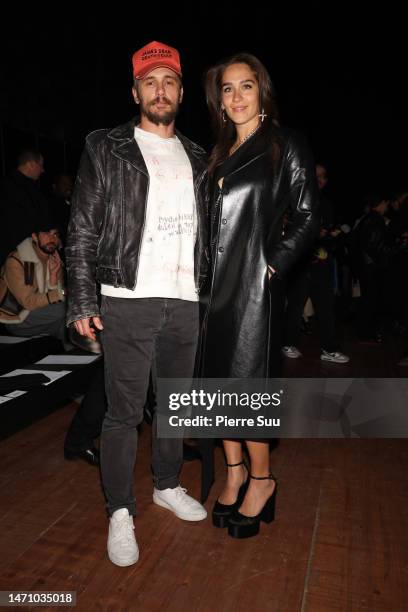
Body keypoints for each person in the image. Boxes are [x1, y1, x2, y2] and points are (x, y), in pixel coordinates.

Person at [65, 40, 209, 567]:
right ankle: (119, 511)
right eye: (149, 81)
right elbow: (82, 227)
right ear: (135, 90)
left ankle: (166, 486)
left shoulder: (199, 155)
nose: (159, 90)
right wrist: (82, 298)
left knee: (174, 406)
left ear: (181, 92)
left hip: (187, 299)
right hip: (127, 297)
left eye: (168, 80)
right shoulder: (107, 147)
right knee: (124, 413)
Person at [200, 53, 319, 539]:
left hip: (253, 288)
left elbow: (309, 214)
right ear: (220, 101)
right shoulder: (218, 152)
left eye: (245, 86)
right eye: (227, 89)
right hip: (213, 291)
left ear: (262, 92)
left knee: (248, 388)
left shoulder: (285, 144)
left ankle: (263, 480)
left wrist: (273, 266)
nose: (236, 97)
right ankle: (234, 473)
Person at [0, 224, 67, 344]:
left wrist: (53, 277)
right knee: (65, 308)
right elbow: (29, 302)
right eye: (46, 233)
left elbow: (55, 296)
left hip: (41, 314)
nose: (52, 238)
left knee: (67, 313)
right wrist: (63, 292)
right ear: (35, 237)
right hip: (18, 318)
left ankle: (65, 348)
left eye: (55, 234)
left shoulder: (55, 260)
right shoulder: (17, 261)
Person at [0, 149, 50, 266]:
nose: (43, 170)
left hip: (11, 253)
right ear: (31, 164)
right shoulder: (26, 190)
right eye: (41, 165)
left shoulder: (6, 185)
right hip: (23, 255)